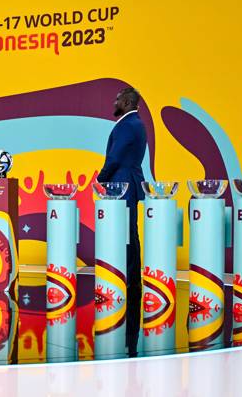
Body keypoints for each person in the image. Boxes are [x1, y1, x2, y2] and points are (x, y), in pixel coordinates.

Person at [96, 87, 147, 357]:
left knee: (126, 233)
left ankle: (129, 279)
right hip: (126, 182)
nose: (114, 102)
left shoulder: (129, 124)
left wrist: (101, 177)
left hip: (123, 183)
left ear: (126, 102)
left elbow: (115, 157)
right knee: (129, 232)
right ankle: (131, 277)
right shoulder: (134, 123)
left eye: (117, 99)